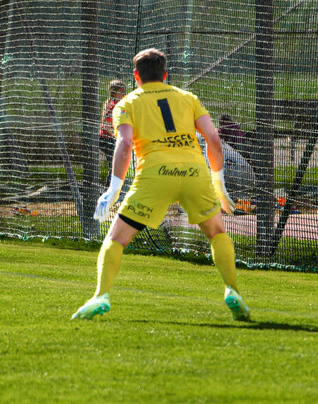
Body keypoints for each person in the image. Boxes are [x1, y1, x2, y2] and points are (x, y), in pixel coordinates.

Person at [72, 48, 250, 322]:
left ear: (136, 76)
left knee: (116, 239)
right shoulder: (188, 98)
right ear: (165, 75)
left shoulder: (126, 104)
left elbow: (124, 144)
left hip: (154, 176)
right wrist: (219, 182)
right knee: (217, 233)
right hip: (194, 174)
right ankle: (232, 290)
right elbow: (214, 140)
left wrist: (113, 189)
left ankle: (101, 295)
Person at [98, 79, 127, 165]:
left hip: (112, 138)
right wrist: (116, 135)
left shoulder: (121, 104)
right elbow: (105, 124)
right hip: (106, 138)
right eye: (121, 92)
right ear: (114, 93)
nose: (124, 94)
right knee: (115, 162)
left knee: (116, 162)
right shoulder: (110, 104)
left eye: (125, 92)